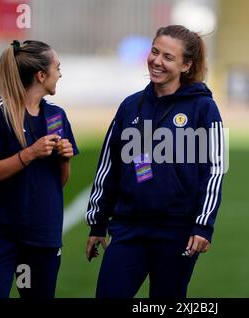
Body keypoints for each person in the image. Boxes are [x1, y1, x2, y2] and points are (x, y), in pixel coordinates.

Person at [85, 25, 225, 298]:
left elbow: (215, 170)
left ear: (186, 65)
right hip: (128, 228)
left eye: (168, 57)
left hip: (177, 232)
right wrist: (98, 222)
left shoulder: (204, 108)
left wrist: (203, 224)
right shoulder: (130, 106)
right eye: (154, 52)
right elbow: (109, 166)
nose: (156, 61)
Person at [0, 40, 78, 298]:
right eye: (57, 68)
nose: (60, 74)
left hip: (42, 239)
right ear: (41, 75)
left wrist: (64, 159)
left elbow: (58, 182)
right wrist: (29, 153)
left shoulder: (55, 116)